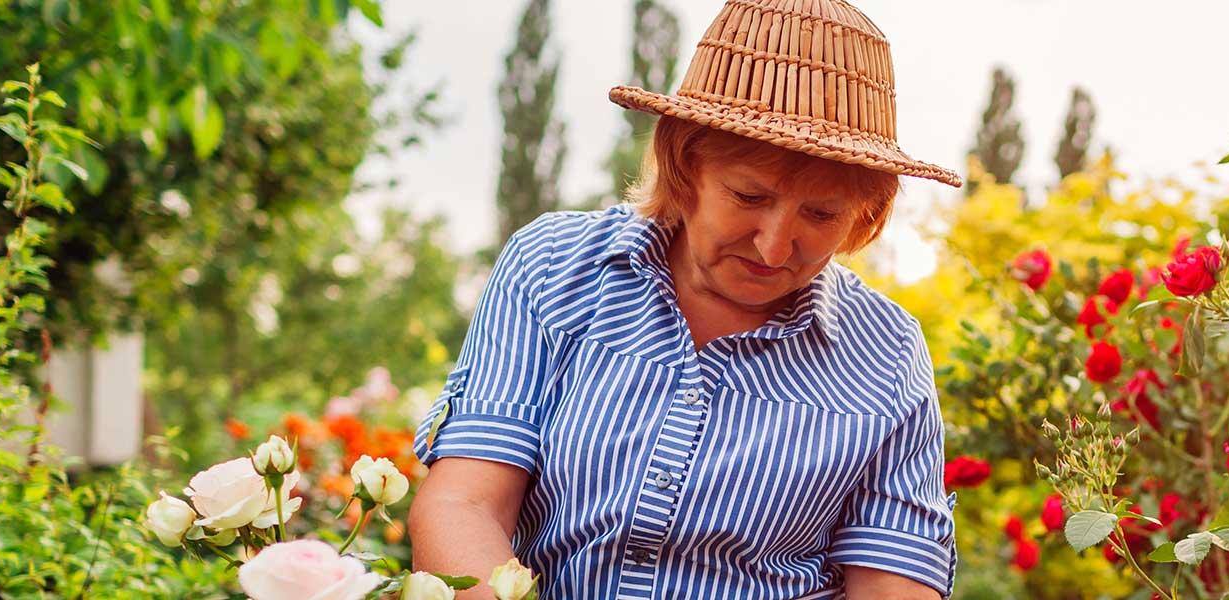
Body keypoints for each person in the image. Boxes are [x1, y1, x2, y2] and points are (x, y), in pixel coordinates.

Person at [407, 1, 964, 598]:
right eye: (748, 196)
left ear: (865, 217)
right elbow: (465, 503)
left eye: (822, 214)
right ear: (685, 165)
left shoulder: (885, 351)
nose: (775, 248)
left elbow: (892, 584)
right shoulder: (554, 267)